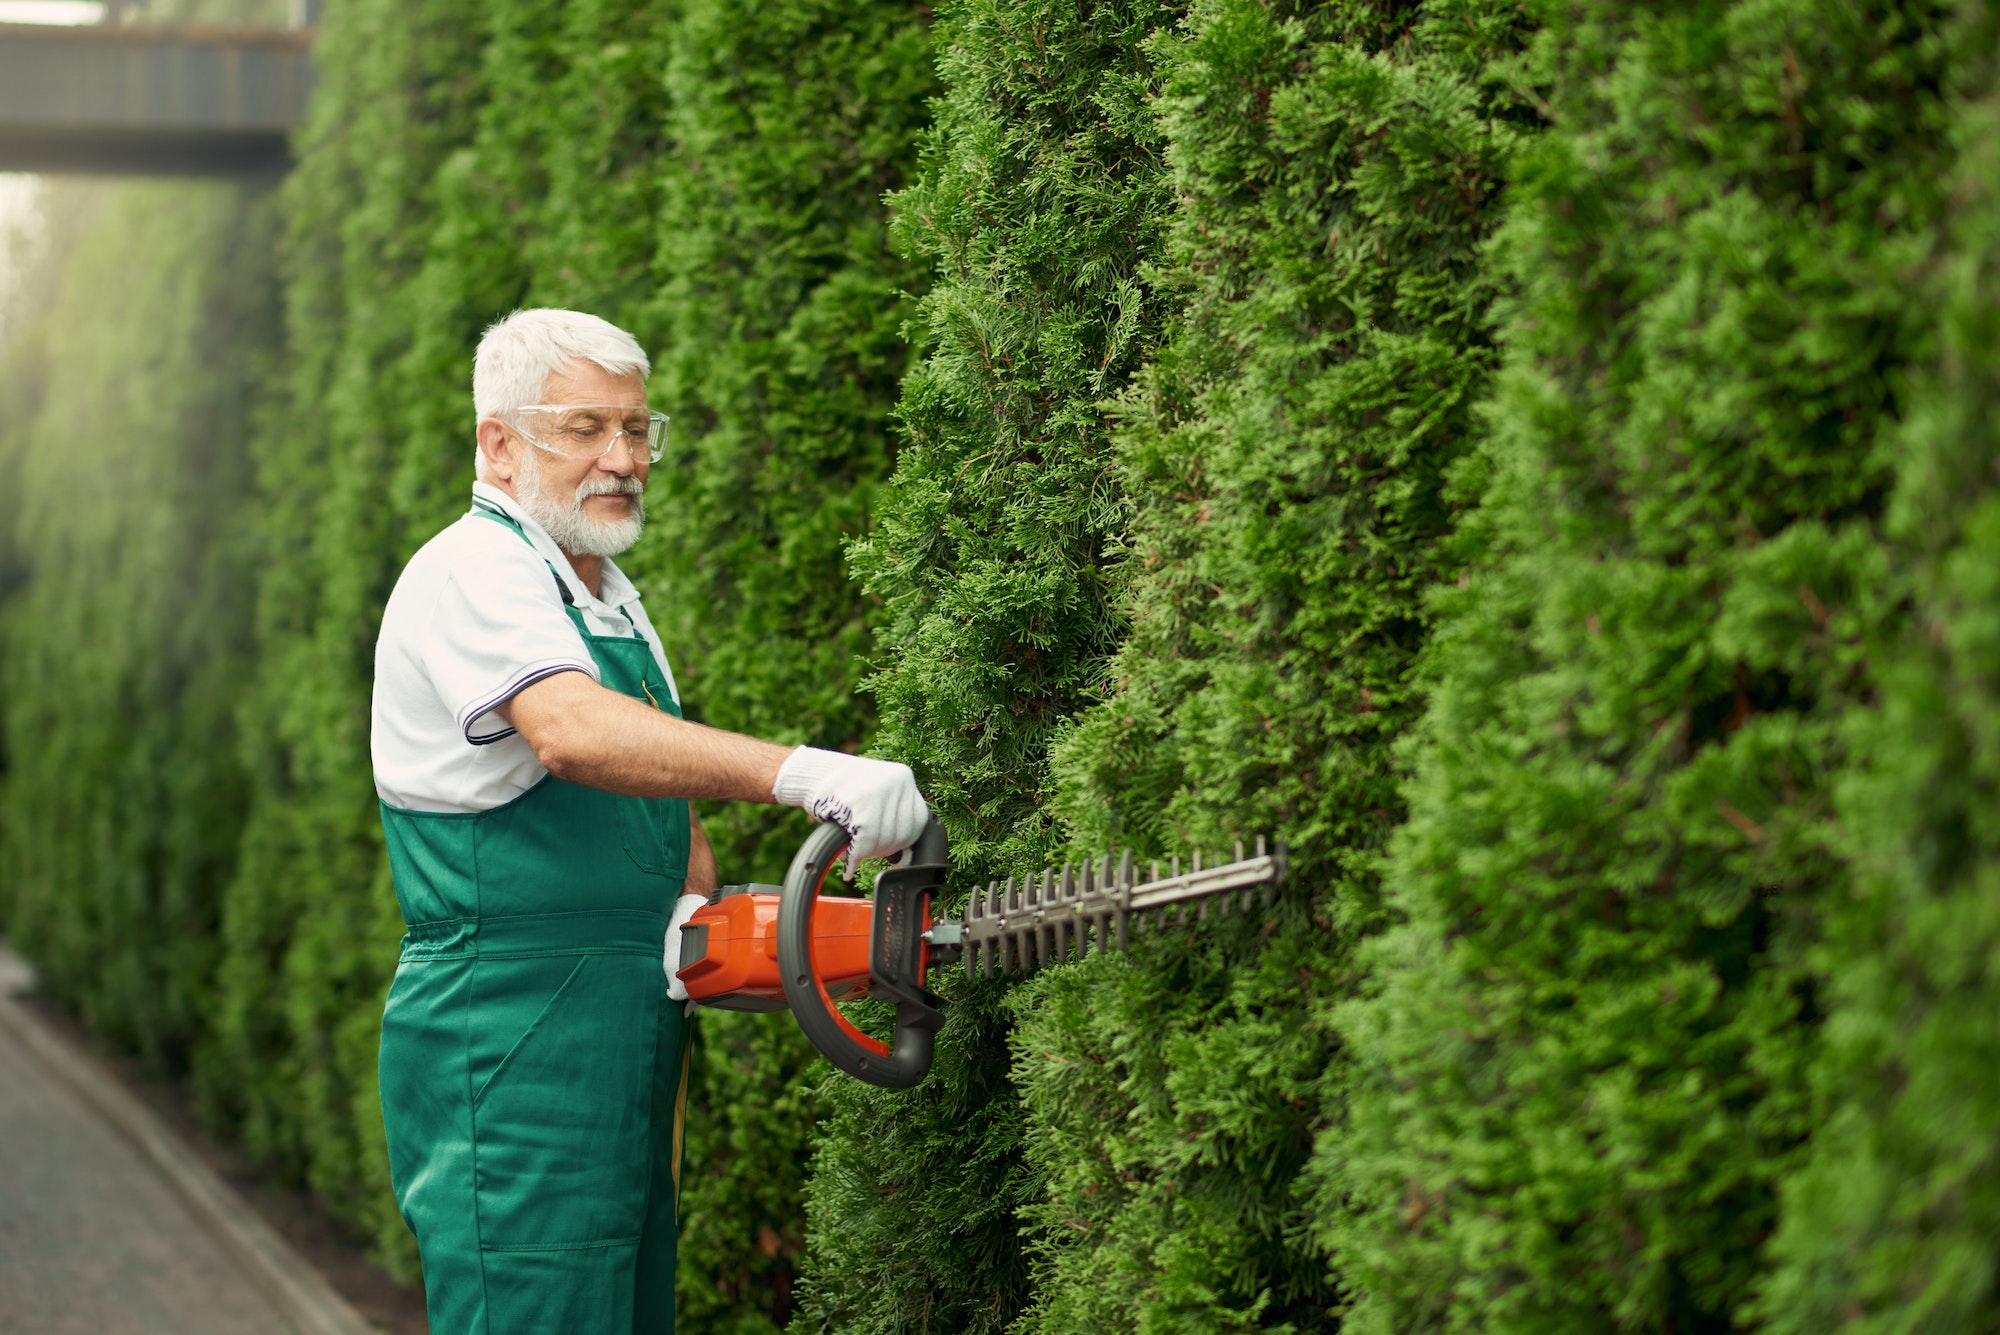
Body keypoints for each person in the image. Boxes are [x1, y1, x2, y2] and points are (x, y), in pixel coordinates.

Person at [370, 308, 928, 1333]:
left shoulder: (606, 596)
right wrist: (803, 772)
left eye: (636, 430)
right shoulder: (472, 571)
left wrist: (706, 925)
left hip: (627, 1029)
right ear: (498, 442)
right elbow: (573, 733)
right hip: (510, 1032)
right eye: (583, 428)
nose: (621, 458)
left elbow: (659, 806)